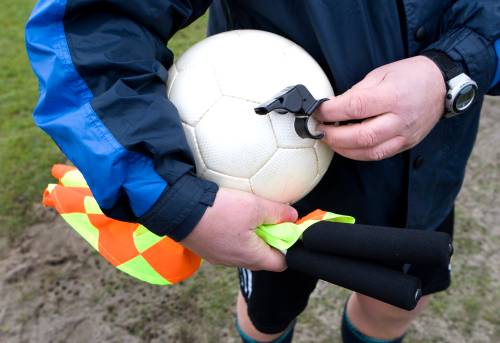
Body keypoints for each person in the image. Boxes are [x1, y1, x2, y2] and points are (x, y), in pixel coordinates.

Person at [26, 1, 500, 342]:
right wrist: (173, 199)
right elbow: (94, 23)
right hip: (273, 201)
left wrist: (451, 72)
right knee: (267, 316)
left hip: (426, 171)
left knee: (396, 307)